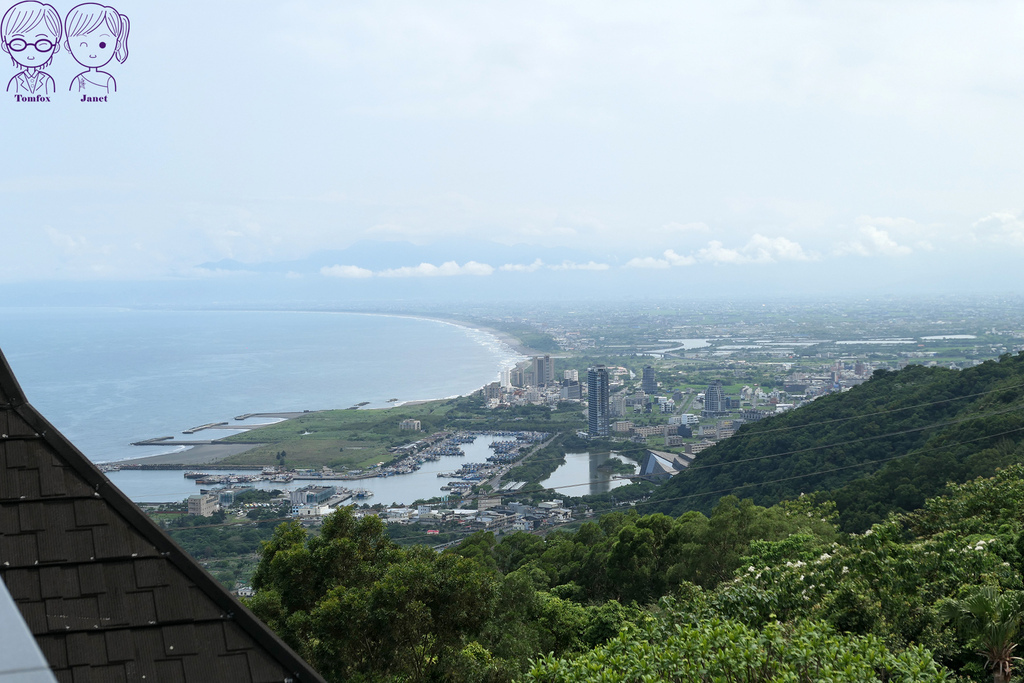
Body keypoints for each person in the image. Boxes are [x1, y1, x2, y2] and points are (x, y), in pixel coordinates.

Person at [64, 2, 128, 94]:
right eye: (83, 44)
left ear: (117, 45)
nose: (92, 54)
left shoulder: (108, 80)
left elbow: (114, 100)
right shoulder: (78, 80)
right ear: (68, 45)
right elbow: (71, 99)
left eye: (102, 45)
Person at [1, 1, 61, 95]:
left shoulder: (48, 80)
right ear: (5, 46)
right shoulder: (15, 81)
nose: (30, 54)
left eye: (42, 44)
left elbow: (54, 98)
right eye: (18, 44)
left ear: (56, 47)